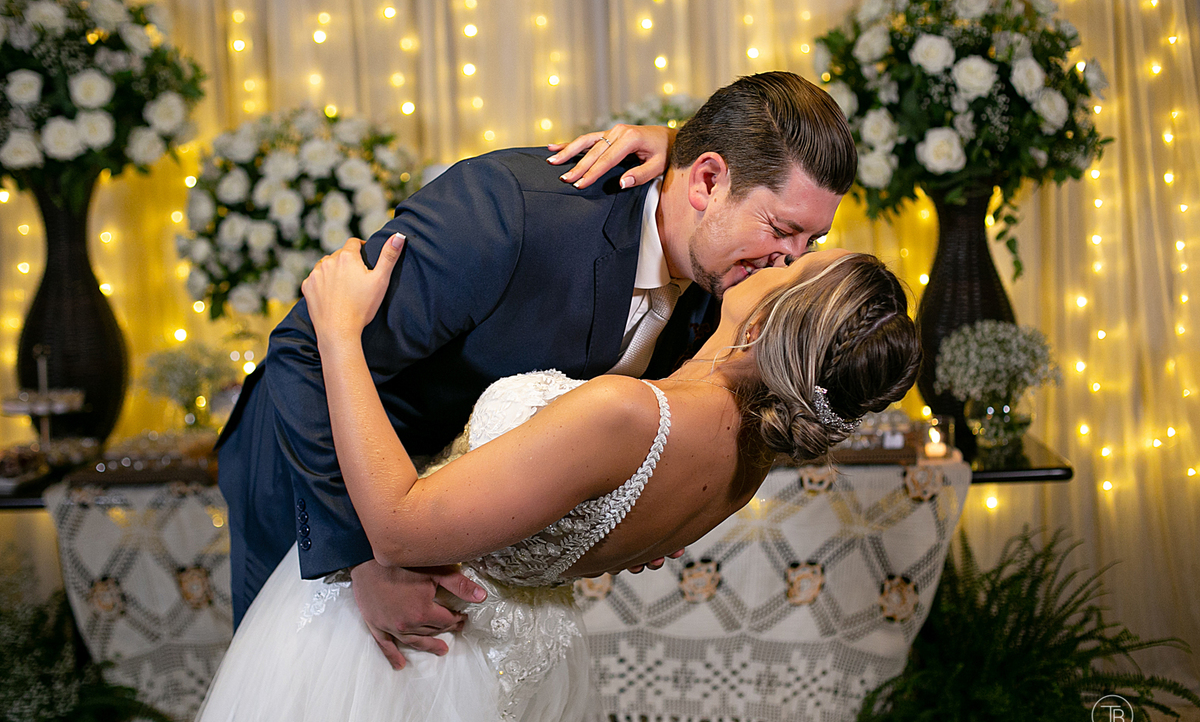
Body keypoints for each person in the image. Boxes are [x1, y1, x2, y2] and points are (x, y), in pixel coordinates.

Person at [174, 232, 921, 722]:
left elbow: (398, 526)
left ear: (768, 326)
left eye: (793, 268)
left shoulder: (625, 414)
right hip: (516, 662)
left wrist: (337, 335)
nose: (777, 257)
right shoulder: (744, 465)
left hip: (411, 651)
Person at [216, 71, 859, 668]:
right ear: (708, 182)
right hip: (314, 479)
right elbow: (302, 349)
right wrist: (362, 557)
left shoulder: (728, 290)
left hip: (448, 526)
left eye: (809, 243)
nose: (788, 266)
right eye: (781, 229)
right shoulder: (507, 213)